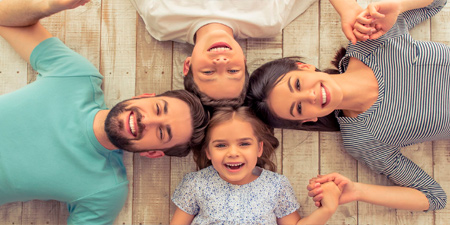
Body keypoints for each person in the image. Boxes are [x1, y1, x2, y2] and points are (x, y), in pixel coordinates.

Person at [0, 0, 208, 224]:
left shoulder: (106, 190)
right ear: (144, 97)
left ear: (153, 153)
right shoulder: (77, 77)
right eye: (157, 108)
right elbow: (6, 20)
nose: (146, 120)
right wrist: (52, 4)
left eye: (161, 133)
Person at [245, 0, 449, 211]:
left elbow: (437, 2)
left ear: (304, 67)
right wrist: (358, 191)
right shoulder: (362, 138)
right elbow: (433, 197)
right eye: (298, 108)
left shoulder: (369, 41)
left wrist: (398, 6)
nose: (310, 96)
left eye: (297, 84)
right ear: (307, 120)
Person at [129, 0, 318, 108]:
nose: (220, 62)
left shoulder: (162, 22)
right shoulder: (267, 22)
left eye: (208, 73)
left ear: (188, 66)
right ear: (243, 61)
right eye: (233, 71)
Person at [170, 107, 341, 224]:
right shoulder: (196, 184)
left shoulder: (276, 185)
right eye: (221, 145)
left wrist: (327, 209)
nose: (232, 153)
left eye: (244, 144)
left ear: (259, 148)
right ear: (208, 152)